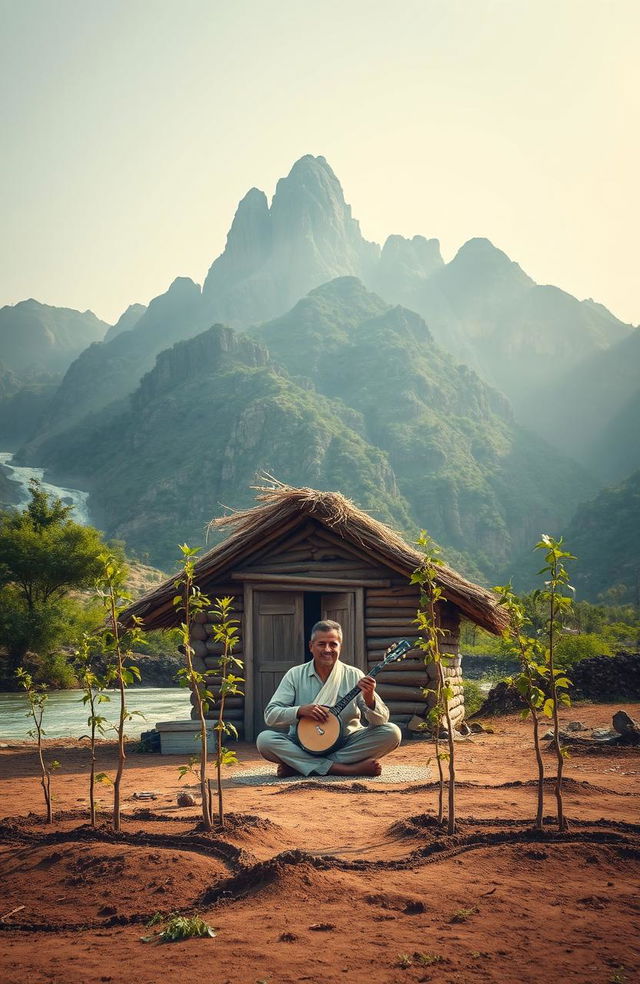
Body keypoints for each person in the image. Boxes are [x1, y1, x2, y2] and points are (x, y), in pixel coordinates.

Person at [256, 619, 401, 777]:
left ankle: (300, 765)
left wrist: (369, 698)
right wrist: (300, 711)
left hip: (346, 743)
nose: (327, 649)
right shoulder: (295, 675)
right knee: (265, 740)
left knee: (392, 733)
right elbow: (270, 715)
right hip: (303, 744)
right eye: (321, 644)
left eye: (333, 644)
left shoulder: (354, 675)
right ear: (311, 646)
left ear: (340, 647)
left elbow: (381, 721)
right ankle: (343, 769)